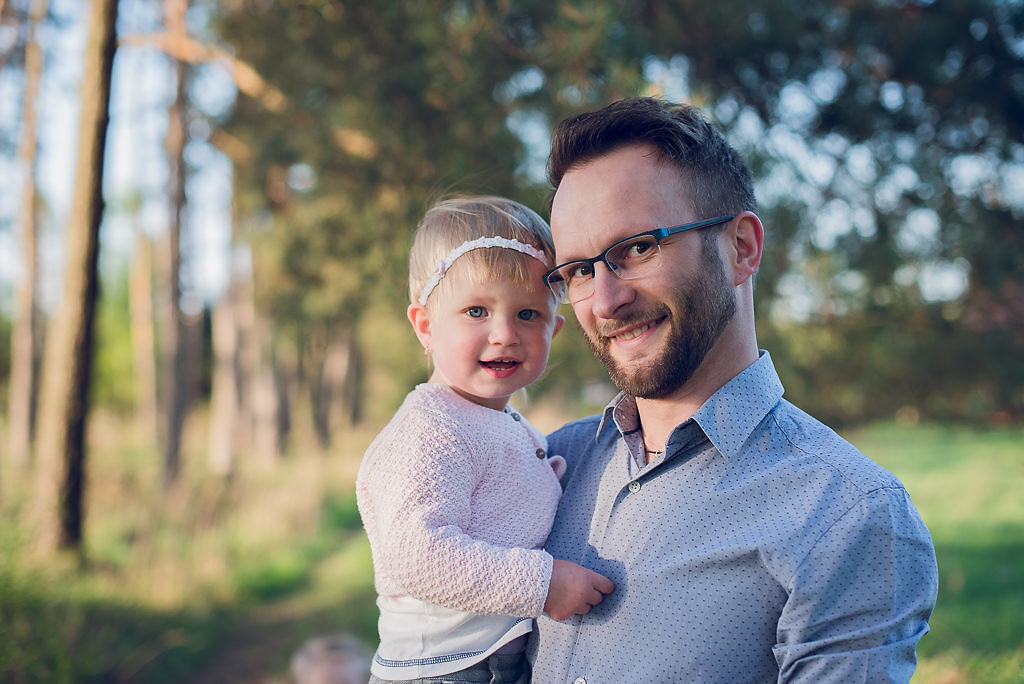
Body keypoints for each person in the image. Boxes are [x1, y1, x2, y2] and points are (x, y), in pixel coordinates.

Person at [527, 98, 939, 683]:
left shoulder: (847, 516)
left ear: (741, 248)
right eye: (580, 270)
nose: (605, 300)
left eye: (638, 247)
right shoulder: (548, 468)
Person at [356, 196, 615, 684]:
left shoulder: (502, 422)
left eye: (527, 315)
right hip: (440, 669)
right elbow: (418, 553)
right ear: (426, 326)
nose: (504, 334)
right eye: (477, 310)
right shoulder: (430, 428)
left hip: (490, 660)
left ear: (554, 330)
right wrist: (544, 584)